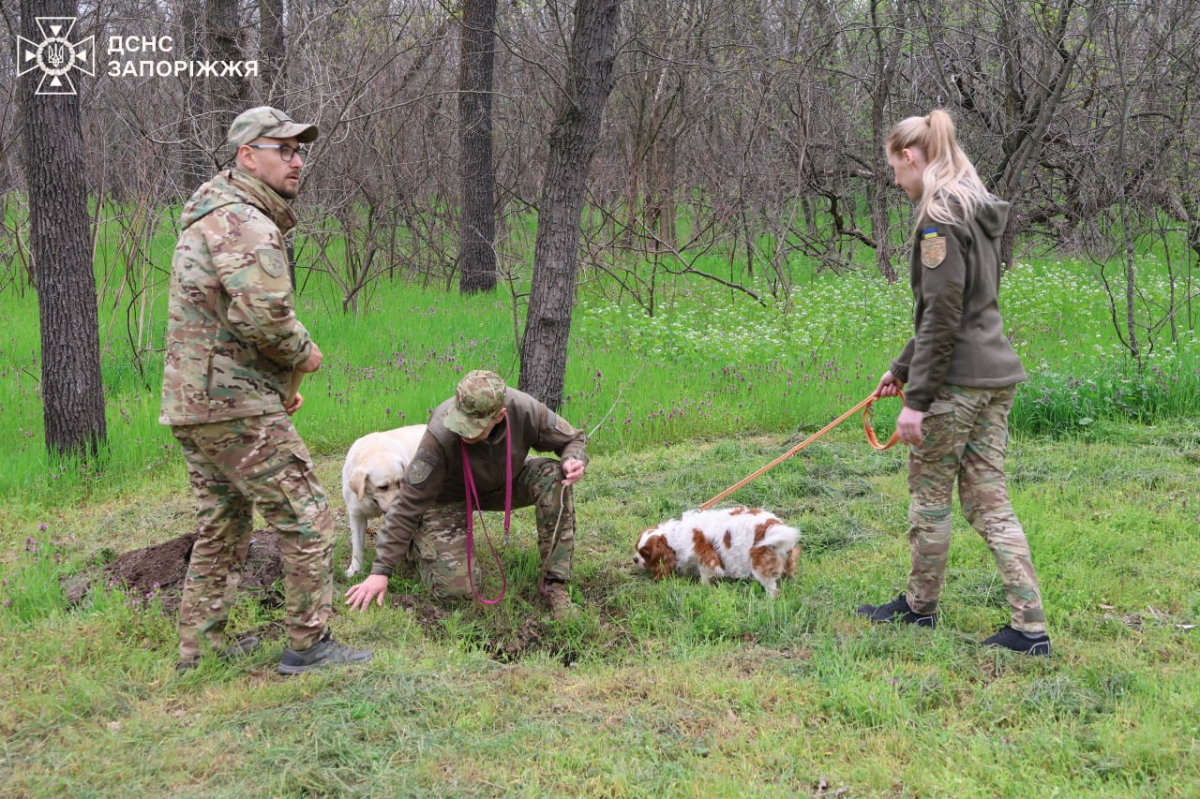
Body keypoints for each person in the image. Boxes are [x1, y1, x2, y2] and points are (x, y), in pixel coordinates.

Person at [161, 106, 372, 675]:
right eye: (284, 150)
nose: (298, 161)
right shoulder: (245, 222)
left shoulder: (209, 216)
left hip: (196, 402)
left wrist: (276, 383)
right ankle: (309, 645)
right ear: (247, 156)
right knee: (307, 515)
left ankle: (200, 649)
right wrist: (306, 356)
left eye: (301, 151)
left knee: (223, 524)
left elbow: (224, 318)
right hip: (233, 403)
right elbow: (265, 315)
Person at [856, 110, 1051, 656]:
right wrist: (900, 366)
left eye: (896, 169)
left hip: (957, 385)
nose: (896, 181)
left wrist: (916, 402)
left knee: (930, 499)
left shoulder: (939, 219)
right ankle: (1030, 629)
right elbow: (953, 310)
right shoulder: (975, 207)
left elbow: (942, 316)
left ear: (912, 158)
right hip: (996, 375)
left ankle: (919, 609)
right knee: (991, 502)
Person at [344, 370, 587, 619]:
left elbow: (574, 438)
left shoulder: (525, 410)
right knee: (458, 593)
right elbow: (407, 502)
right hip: (449, 497)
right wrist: (380, 571)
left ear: (499, 416)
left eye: (473, 428)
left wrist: (572, 460)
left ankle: (554, 585)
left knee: (555, 475)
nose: (463, 433)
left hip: (506, 481)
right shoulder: (440, 432)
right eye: (461, 423)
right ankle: (418, 546)